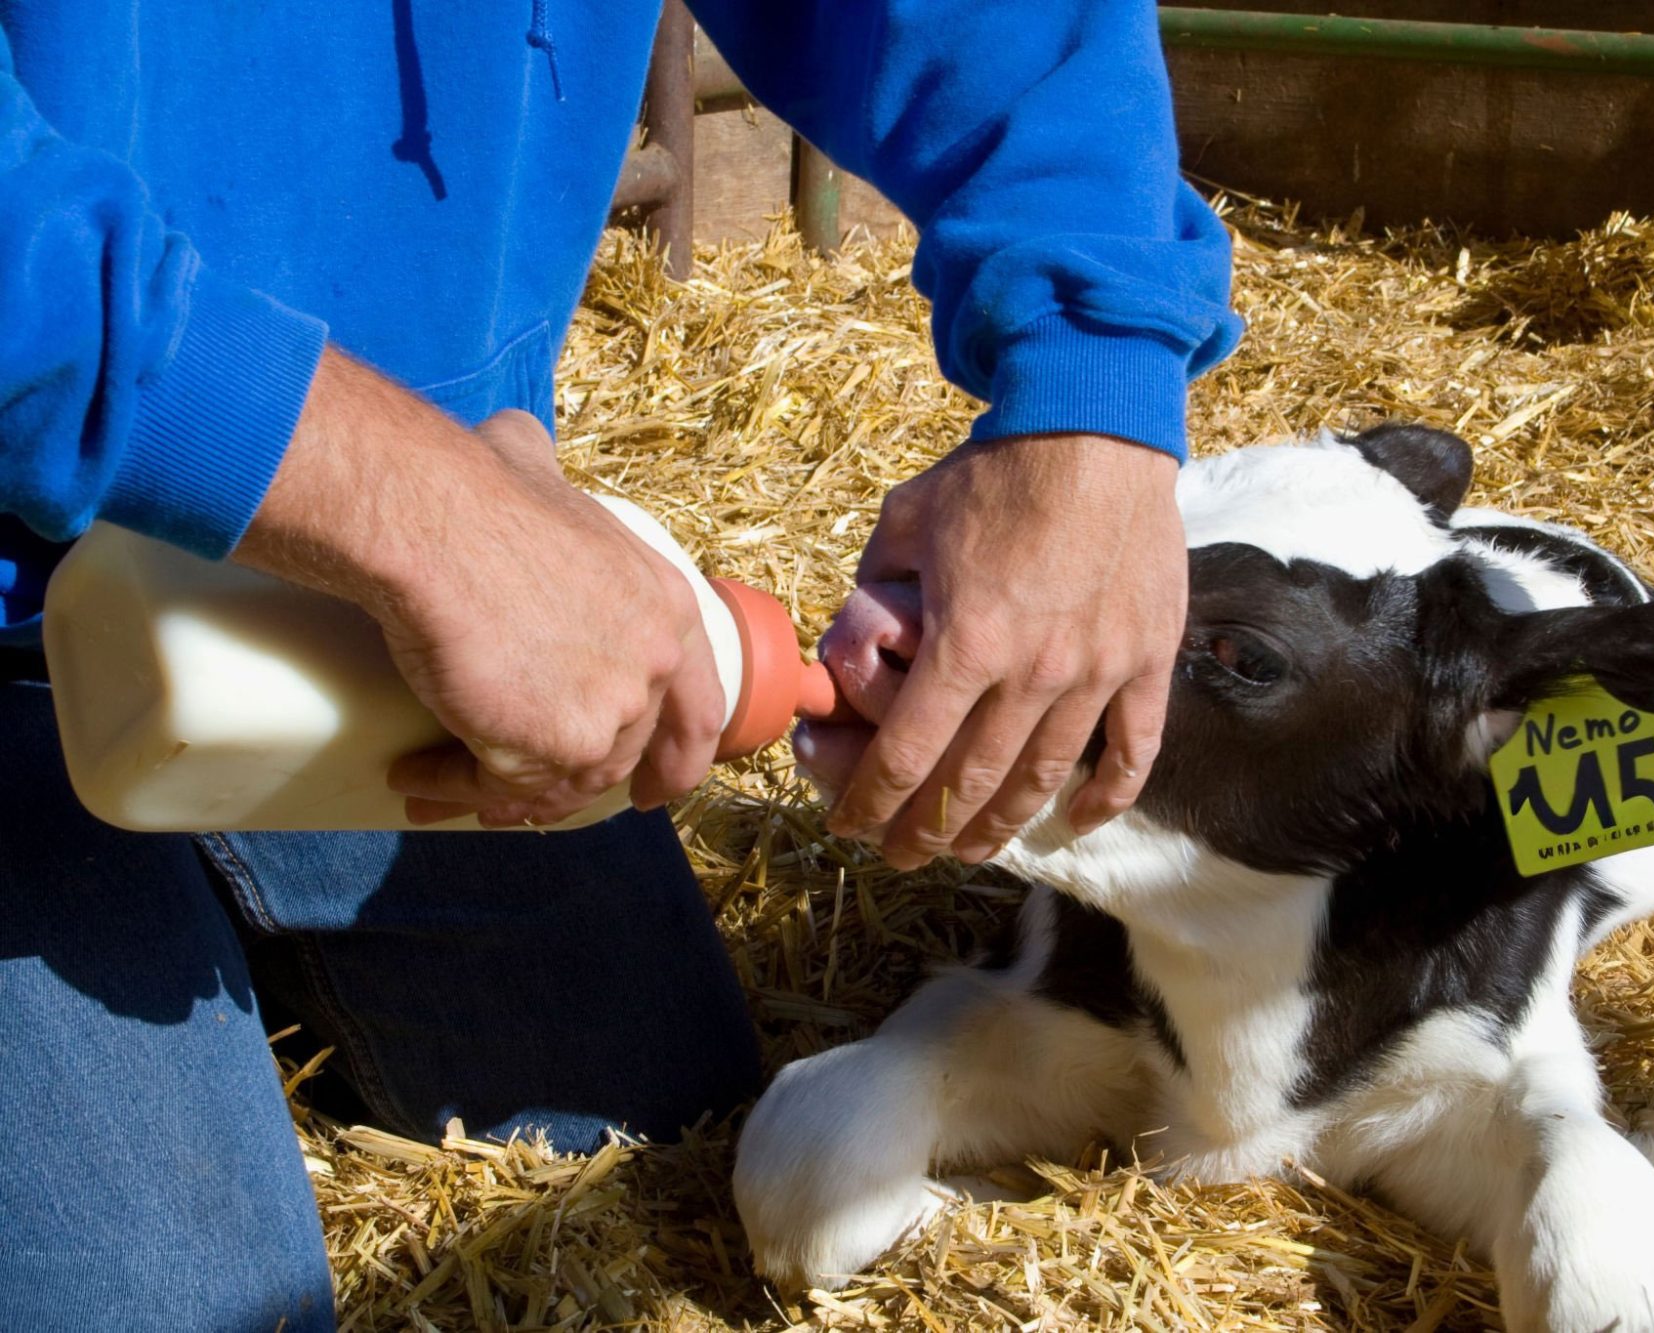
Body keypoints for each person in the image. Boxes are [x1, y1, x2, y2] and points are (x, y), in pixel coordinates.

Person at [0, 1, 1240, 1325]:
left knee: (660, 1122)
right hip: (89, 513)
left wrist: (1091, 390)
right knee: (180, 1301)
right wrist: (405, 503)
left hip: (353, 570)